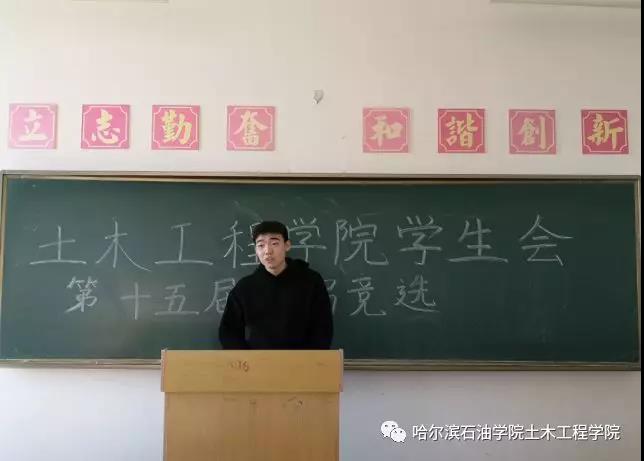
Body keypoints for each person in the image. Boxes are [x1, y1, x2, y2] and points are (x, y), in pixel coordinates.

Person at [218, 220, 333, 349]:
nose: (268, 251)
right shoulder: (245, 287)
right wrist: (247, 358)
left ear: (287, 245)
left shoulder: (311, 281)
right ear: (256, 250)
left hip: (303, 360)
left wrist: (309, 359)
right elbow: (228, 331)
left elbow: (323, 328)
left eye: (274, 243)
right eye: (261, 245)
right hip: (258, 360)